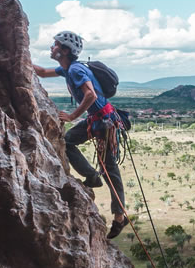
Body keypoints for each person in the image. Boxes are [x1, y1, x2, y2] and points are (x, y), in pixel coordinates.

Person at [33, 31, 128, 239]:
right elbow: (41, 72)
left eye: (56, 45)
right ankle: (92, 176)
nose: (52, 47)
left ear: (65, 50)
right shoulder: (67, 69)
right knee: (67, 142)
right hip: (98, 119)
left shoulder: (75, 70)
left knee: (109, 168)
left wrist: (72, 116)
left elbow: (90, 94)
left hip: (105, 121)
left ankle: (120, 216)